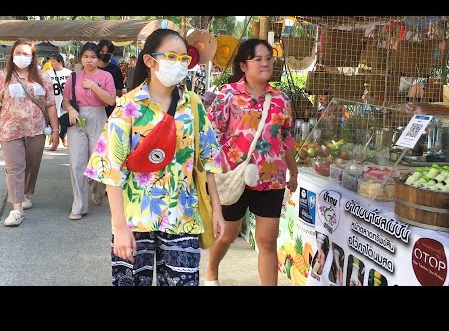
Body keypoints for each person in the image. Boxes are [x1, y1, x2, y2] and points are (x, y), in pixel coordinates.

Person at [84, 28, 225, 286]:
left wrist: (217, 209)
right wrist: (120, 228)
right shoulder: (128, 107)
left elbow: (208, 160)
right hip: (135, 221)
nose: (180, 64)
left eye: (184, 59)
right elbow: (111, 170)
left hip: (182, 218)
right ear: (150, 61)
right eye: (172, 56)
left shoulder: (193, 105)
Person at [206, 38, 298, 286]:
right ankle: (212, 273)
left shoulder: (281, 99)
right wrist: (210, 175)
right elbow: (210, 136)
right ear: (244, 66)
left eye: (268, 58)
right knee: (227, 234)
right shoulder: (228, 95)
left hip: (271, 179)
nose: (265, 63)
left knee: (268, 241)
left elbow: (286, 139)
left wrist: (294, 172)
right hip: (233, 176)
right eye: (258, 59)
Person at [0, 38, 59, 227]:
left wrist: (56, 130)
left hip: (36, 129)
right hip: (10, 128)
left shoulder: (44, 78)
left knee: (32, 165)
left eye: (26, 53)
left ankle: (22, 193)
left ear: (33, 57)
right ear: (12, 55)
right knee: (15, 166)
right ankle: (17, 209)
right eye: (18, 53)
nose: (21, 57)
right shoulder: (3, 77)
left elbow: (50, 105)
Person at [62, 42, 116, 220]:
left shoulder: (106, 76)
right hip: (77, 118)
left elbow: (111, 100)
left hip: (99, 117)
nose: (89, 60)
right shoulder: (74, 77)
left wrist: (93, 86)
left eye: (93, 57)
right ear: (81, 58)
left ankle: (97, 190)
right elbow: (66, 100)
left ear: (98, 58)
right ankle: (79, 205)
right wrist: (70, 109)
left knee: (99, 160)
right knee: (77, 162)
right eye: (86, 56)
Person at [46, 53, 72, 149]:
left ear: (60, 62)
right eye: (51, 61)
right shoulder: (48, 73)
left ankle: (63, 136)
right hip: (53, 101)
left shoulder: (69, 73)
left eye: (54, 61)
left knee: (65, 123)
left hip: (65, 102)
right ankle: (54, 143)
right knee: (53, 123)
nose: (52, 63)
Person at [97, 39, 124, 118]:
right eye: (102, 51)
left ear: (111, 54)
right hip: (94, 109)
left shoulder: (115, 70)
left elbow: (119, 92)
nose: (105, 54)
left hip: (110, 110)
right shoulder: (91, 69)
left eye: (108, 52)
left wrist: (106, 90)